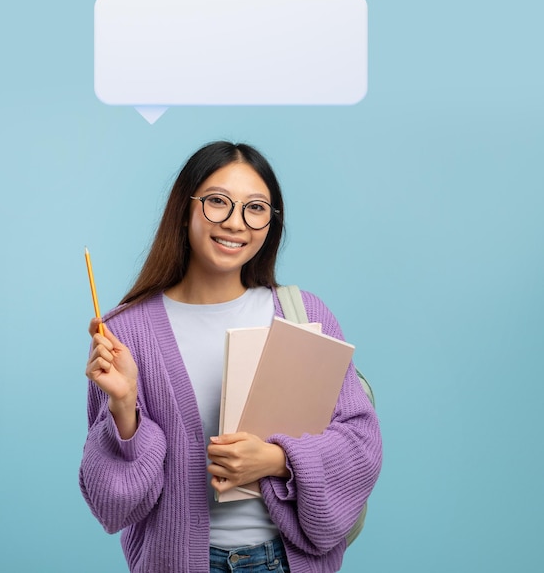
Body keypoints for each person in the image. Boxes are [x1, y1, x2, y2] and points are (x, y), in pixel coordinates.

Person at [79, 141, 382, 573]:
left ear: (271, 222)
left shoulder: (303, 315)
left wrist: (277, 461)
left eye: (255, 208)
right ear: (184, 209)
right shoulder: (126, 334)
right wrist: (124, 407)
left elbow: (361, 445)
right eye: (217, 203)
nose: (236, 223)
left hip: (286, 562)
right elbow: (113, 506)